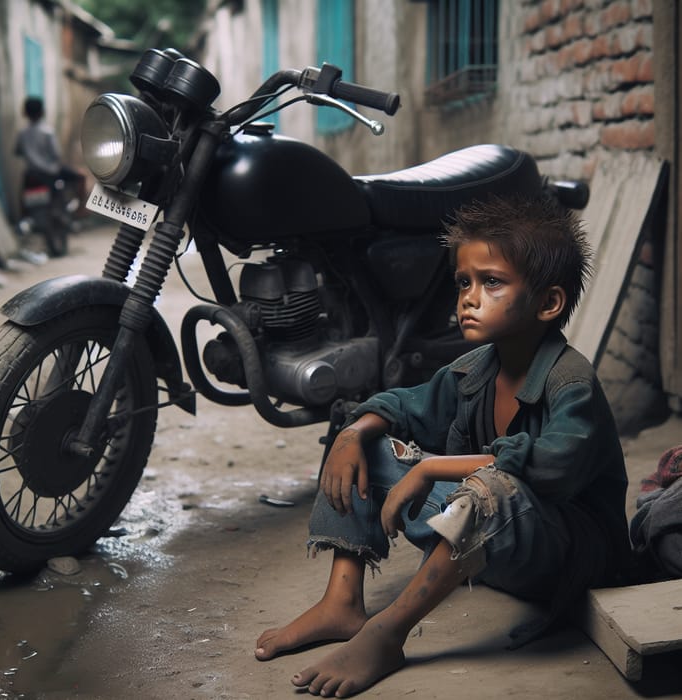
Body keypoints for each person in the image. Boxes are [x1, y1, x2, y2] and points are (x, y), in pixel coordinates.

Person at [254, 194, 631, 697]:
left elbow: (551, 465)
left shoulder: (570, 382)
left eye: (491, 282)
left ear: (548, 303)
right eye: (463, 282)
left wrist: (431, 470)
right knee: (361, 440)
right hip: (491, 547)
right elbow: (405, 404)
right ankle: (341, 602)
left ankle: (386, 633)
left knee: (489, 488)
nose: (468, 298)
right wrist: (352, 433)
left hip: (564, 557)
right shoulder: (475, 369)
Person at [15, 96, 86, 203]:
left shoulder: (22, 133)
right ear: (42, 112)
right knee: (81, 177)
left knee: (22, 195)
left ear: (25, 113)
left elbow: (17, 151)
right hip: (50, 172)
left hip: (31, 173)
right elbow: (57, 154)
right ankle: (81, 209)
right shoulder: (48, 132)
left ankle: (24, 215)